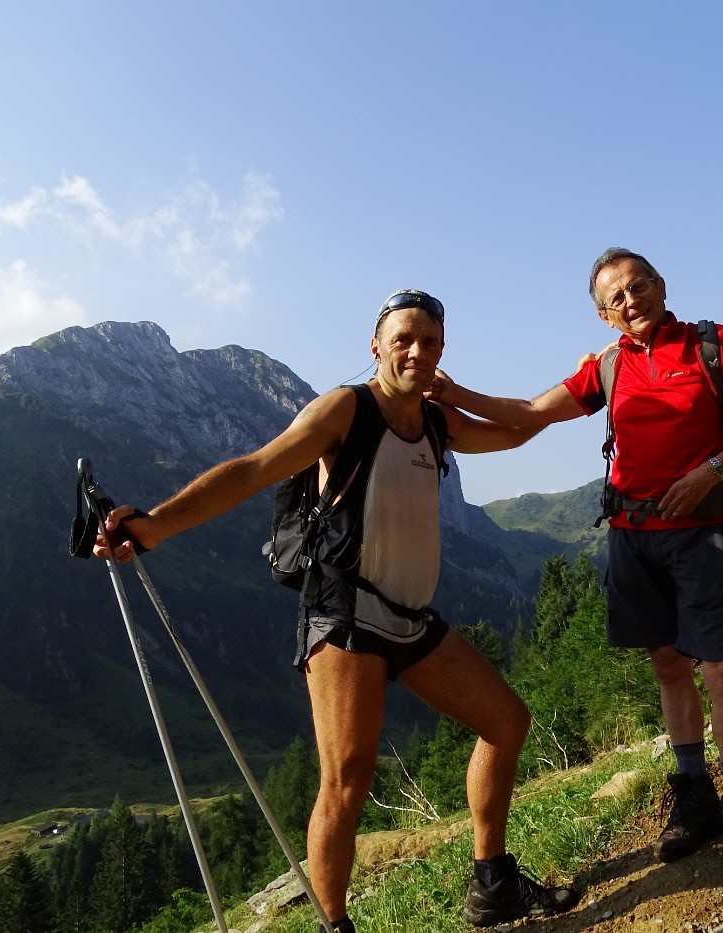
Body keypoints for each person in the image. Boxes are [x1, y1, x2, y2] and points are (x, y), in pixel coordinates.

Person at [94, 289, 578, 932]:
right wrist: (153, 525)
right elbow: (252, 470)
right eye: (403, 338)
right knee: (345, 783)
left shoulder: (436, 422)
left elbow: (519, 432)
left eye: (429, 342)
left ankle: (492, 885)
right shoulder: (346, 410)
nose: (416, 351)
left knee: (506, 723)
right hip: (345, 615)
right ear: (374, 345)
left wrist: (458, 397)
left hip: (411, 618)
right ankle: (333, 925)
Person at [427, 248, 723, 892]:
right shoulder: (610, 366)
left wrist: (711, 471)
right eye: (615, 297)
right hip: (634, 538)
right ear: (603, 315)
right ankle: (694, 797)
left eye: (639, 286)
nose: (631, 301)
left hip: (704, 533)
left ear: (661, 285)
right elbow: (531, 414)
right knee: (670, 669)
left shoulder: (713, 344)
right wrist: (454, 394)